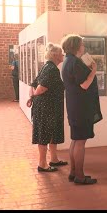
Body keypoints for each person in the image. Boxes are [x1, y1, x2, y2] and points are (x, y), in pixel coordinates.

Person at [61, 34, 102, 185]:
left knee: (76, 140)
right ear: (76, 46)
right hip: (81, 107)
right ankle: (79, 175)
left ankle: (73, 173)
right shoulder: (75, 62)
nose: (84, 46)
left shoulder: (67, 61)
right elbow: (84, 85)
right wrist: (94, 70)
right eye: (82, 44)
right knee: (80, 142)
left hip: (74, 106)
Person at [27, 43, 68, 172]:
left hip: (50, 107)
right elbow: (40, 88)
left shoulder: (48, 66)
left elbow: (33, 84)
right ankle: (42, 164)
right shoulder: (51, 69)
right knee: (44, 134)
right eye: (61, 53)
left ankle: (54, 159)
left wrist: (32, 97)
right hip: (46, 108)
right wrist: (34, 95)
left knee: (52, 133)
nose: (63, 55)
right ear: (55, 55)